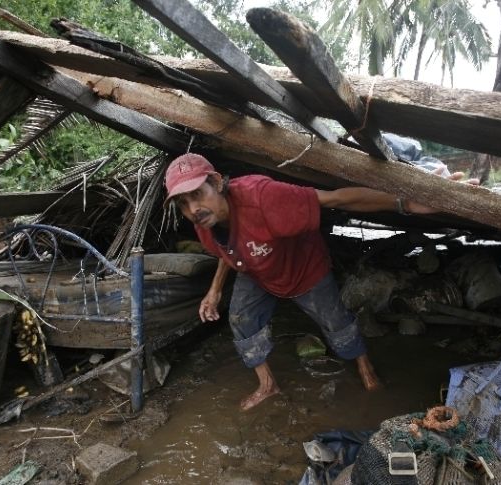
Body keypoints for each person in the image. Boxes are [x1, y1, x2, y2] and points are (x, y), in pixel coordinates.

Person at [164, 153, 465, 411]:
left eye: (198, 194)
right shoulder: (205, 223)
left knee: (336, 323)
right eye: (182, 203)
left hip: (305, 269)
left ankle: (365, 367)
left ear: (216, 183)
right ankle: (267, 385)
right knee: (241, 320)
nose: (193, 209)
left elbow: (335, 198)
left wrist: (407, 203)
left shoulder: (262, 197)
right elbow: (227, 250)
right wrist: (214, 291)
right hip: (257, 271)